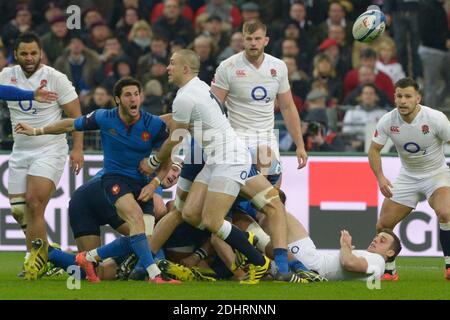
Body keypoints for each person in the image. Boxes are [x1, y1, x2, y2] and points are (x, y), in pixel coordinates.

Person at [15, 76, 179, 284]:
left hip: (136, 187)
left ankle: (54, 254)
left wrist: (154, 182)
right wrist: (37, 130)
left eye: (136, 94)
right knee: (139, 226)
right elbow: (70, 125)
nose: (133, 99)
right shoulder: (104, 117)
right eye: (127, 95)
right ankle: (155, 276)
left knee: (105, 266)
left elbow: (167, 158)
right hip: (103, 189)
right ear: (117, 99)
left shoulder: (152, 124)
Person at [210, 20, 308, 279]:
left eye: (257, 39)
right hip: (235, 142)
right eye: (248, 39)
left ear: (266, 40)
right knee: (235, 212)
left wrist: (299, 144)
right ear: (242, 39)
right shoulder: (228, 67)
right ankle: (252, 266)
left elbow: (287, 108)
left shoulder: (278, 67)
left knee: (270, 206)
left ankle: (282, 265)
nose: (253, 43)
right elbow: (212, 107)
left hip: (267, 141)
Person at [0, 31, 84, 280]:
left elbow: (76, 116)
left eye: (33, 53)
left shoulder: (56, 78)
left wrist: (77, 148)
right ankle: (50, 255)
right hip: (20, 150)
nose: (29, 57)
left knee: (35, 204)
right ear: (16, 55)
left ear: (41, 54)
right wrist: (30, 95)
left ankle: (33, 263)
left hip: (50, 149)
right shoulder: (7, 76)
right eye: (24, 53)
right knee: (19, 211)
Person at [368, 77, 450, 281]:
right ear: (394, 97)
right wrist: (380, 178)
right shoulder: (388, 120)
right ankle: (390, 270)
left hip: (436, 174)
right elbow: (374, 150)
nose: (402, 101)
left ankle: (449, 265)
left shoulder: (435, 118)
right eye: (399, 96)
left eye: (407, 96)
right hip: (408, 176)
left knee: (446, 213)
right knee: (383, 225)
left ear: (418, 98)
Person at [285, 217, 402, 281]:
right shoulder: (375, 263)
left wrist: (345, 245)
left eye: (382, 241)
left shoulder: (378, 260)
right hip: (313, 262)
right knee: (276, 218)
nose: (375, 240)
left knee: (277, 209)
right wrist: (348, 250)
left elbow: (349, 263)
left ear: (390, 252)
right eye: (376, 237)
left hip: (312, 264)